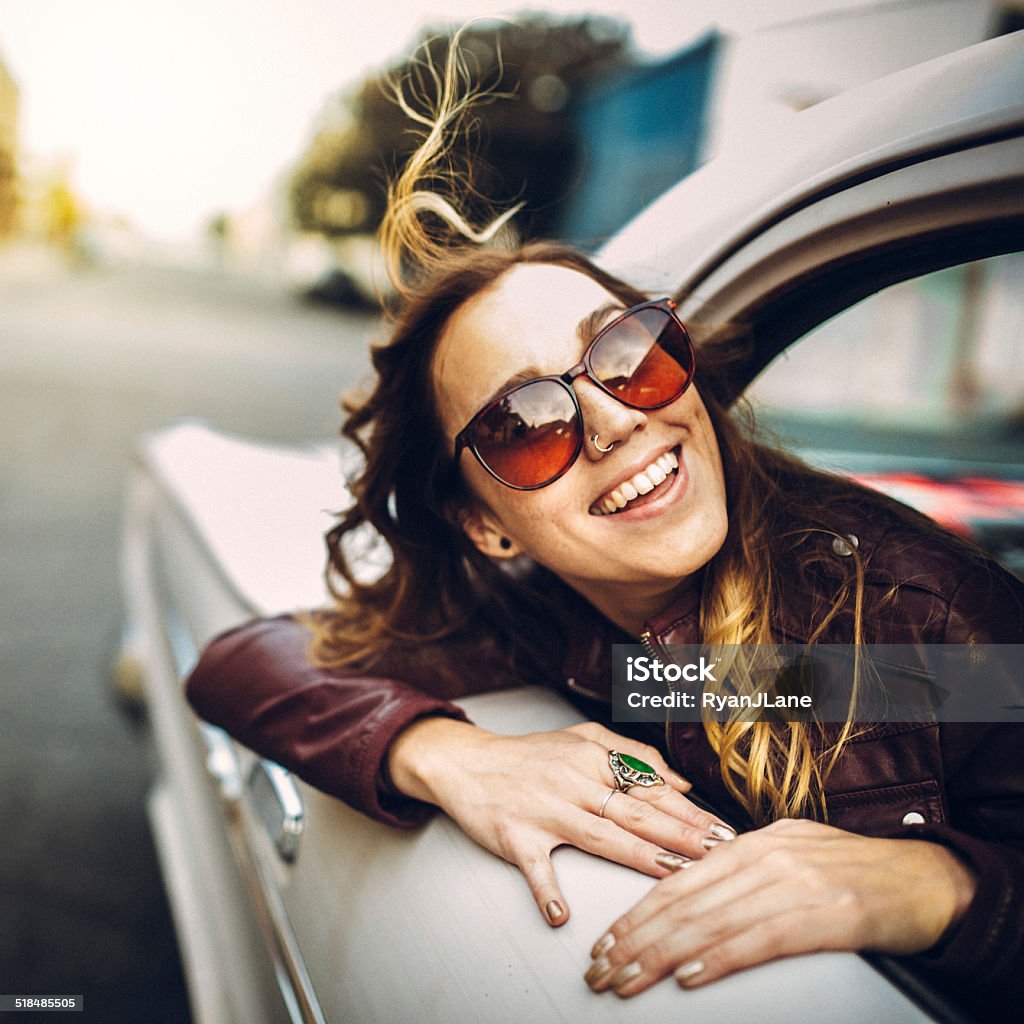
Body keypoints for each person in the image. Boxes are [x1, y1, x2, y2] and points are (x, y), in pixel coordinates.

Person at [185, 37, 1024, 1019]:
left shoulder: (920, 620)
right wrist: (452, 755)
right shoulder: (545, 616)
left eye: (629, 354)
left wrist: (941, 889)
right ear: (486, 524)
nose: (617, 419)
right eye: (524, 424)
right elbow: (246, 661)